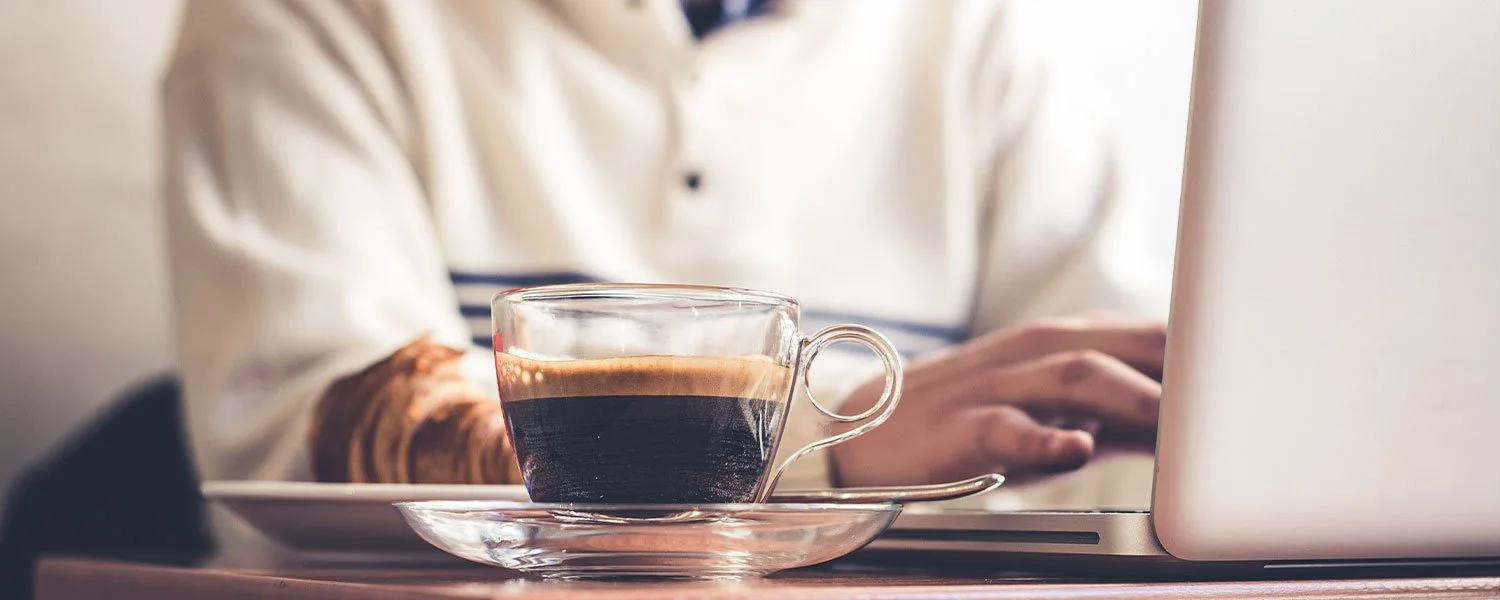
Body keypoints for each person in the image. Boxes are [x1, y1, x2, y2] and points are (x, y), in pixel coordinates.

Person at [162, 0, 1170, 495]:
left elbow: (1121, 438)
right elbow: (329, 422)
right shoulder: (308, 19)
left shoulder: (982, 37)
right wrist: (824, 443)